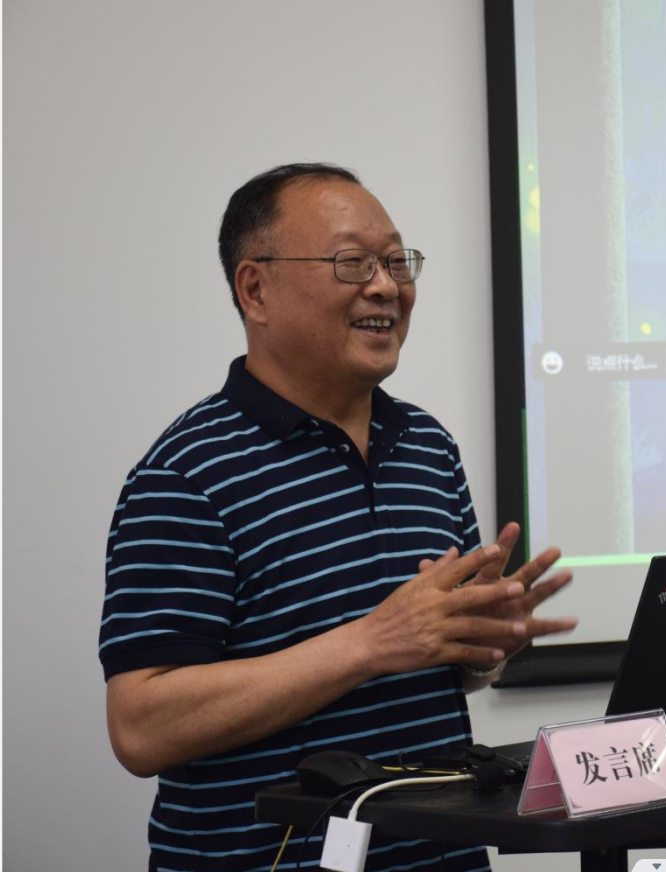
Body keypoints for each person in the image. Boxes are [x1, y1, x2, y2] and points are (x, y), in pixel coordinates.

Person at [99, 163, 576, 872]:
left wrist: (480, 646)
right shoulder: (187, 472)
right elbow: (141, 728)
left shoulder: (428, 446)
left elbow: (428, 668)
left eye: (397, 262)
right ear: (255, 290)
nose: (385, 287)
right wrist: (372, 642)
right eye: (352, 263)